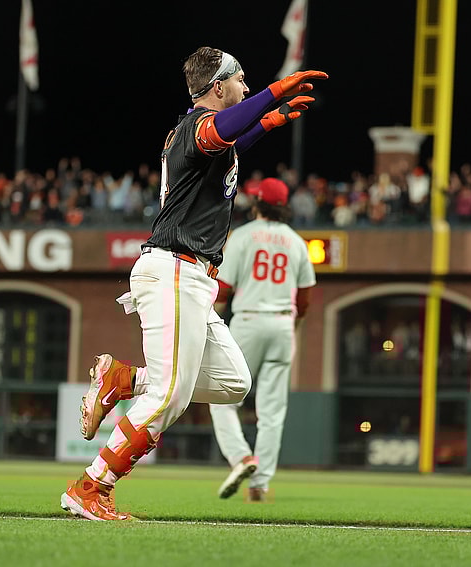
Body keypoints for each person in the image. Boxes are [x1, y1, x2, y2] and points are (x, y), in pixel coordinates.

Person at [59, 46, 327, 521]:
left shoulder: (203, 134)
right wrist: (270, 95)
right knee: (169, 397)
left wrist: (266, 123)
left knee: (234, 382)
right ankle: (91, 486)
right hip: (174, 269)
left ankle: (124, 379)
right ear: (218, 86)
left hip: (192, 275)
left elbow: (227, 143)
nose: (247, 86)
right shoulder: (196, 126)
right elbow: (219, 131)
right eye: (241, 79)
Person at [208, 177, 316, 502]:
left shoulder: (242, 236)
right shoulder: (296, 242)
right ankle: (260, 484)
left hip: (249, 321)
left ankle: (241, 457)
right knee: (272, 411)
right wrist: (293, 326)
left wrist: (210, 322)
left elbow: (223, 290)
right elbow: (305, 299)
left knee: (223, 398)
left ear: (257, 202)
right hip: (282, 324)